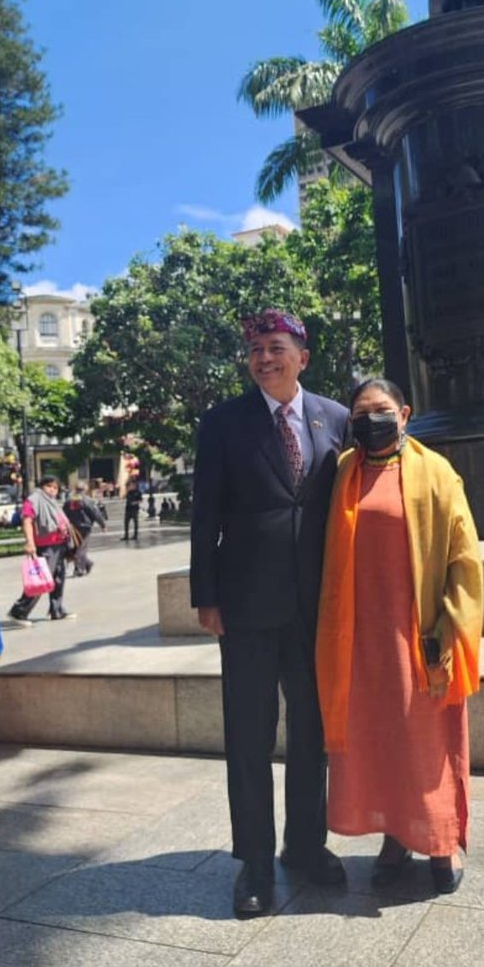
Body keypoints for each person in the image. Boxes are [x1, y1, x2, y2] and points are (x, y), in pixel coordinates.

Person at [190, 307, 349, 918]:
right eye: (256, 350)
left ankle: (305, 846)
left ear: (302, 357)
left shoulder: (336, 418)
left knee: (311, 732)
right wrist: (206, 594)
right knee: (249, 736)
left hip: (316, 608)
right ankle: (255, 862)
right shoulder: (222, 423)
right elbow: (205, 514)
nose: (264, 358)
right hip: (247, 606)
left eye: (276, 347)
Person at [316, 378, 484, 895]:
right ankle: (394, 837)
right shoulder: (344, 471)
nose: (371, 421)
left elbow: (464, 560)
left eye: (381, 410)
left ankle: (440, 840)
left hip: (419, 634)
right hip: (359, 638)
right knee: (378, 740)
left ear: (404, 414)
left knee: (426, 743)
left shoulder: (436, 473)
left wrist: (449, 629)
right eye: (360, 414)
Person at [8, 475, 76, 624]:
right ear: (41, 486)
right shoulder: (34, 500)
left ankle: (56, 610)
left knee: (58, 578)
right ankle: (18, 611)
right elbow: (27, 521)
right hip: (45, 546)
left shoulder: (52, 502)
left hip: (59, 545)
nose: (52, 490)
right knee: (41, 579)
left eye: (55, 487)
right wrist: (30, 543)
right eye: (49, 486)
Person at [63, 484, 107, 577]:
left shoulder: (69, 500)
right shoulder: (87, 500)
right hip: (85, 527)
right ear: (85, 489)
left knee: (78, 547)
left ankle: (87, 564)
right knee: (81, 547)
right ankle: (80, 568)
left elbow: (63, 513)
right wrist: (102, 525)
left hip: (73, 527)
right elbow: (95, 513)